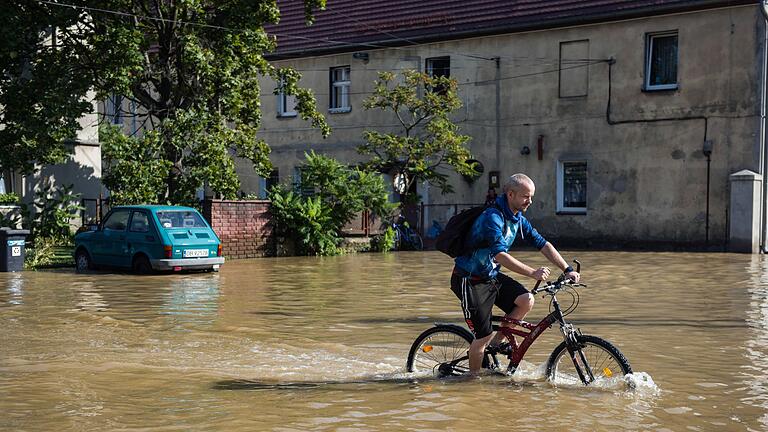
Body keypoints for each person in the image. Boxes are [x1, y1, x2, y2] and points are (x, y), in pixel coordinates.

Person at [450, 173, 580, 375]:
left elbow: (542, 244)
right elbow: (500, 255)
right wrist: (532, 272)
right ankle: (472, 383)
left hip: (490, 276)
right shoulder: (492, 217)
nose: (530, 201)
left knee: (526, 300)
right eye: (526, 196)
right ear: (511, 194)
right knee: (482, 337)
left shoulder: (517, 218)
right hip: (469, 280)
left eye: (531, 196)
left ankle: (496, 344)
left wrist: (567, 269)